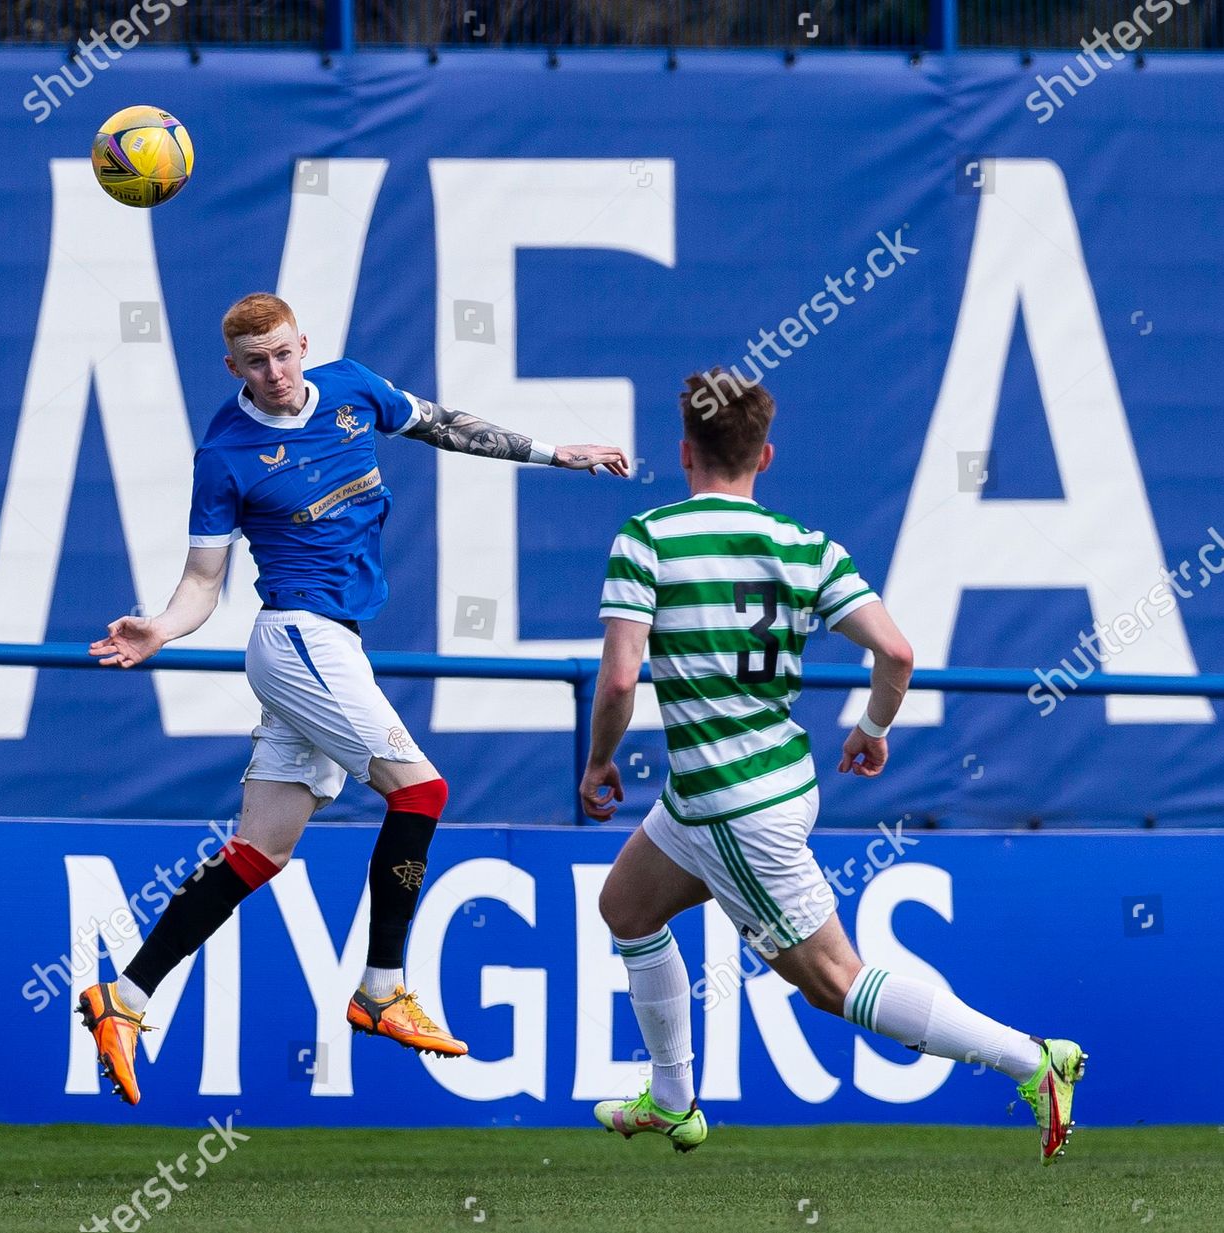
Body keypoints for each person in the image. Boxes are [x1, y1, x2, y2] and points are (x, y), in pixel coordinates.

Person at [78, 291, 630, 1104]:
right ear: (232, 367)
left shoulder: (352, 388)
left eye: (283, 353)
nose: (273, 373)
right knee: (424, 790)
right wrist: (161, 627)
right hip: (296, 637)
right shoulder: (226, 455)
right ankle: (381, 987)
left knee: (260, 853)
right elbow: (204, 582)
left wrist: (559, 451)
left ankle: (121, 999)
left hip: (334, 643)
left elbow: (446, 424)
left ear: (304, 343)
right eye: (254, 362)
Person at [581, 372, 1084, 1161]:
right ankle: (673, 1100)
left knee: (834, 982)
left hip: (730, 804)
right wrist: (873, 726)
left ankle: (1033, 1058)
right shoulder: (804, 545)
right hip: (749, 784)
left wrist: (600, 760)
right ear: (766, 456)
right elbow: (896, 650)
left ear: (684, 453)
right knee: (627, 906)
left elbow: (617, 679)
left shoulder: (648, 538)